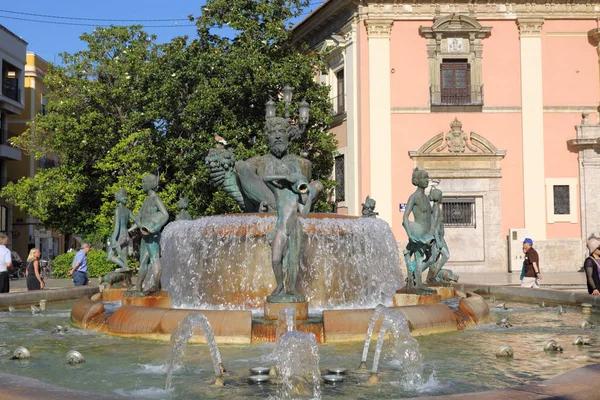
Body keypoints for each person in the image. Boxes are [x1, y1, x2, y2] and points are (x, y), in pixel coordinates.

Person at [107, 189, 137, 270]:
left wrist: (114, 238)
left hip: (119, 236)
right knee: (124, 257)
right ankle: (125, 271)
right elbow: (137, 222)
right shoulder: (127, 211)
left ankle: (124, 267)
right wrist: (129, 230)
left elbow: (117, 226)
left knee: (110, 256)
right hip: (126, 236)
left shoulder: (118, 210)